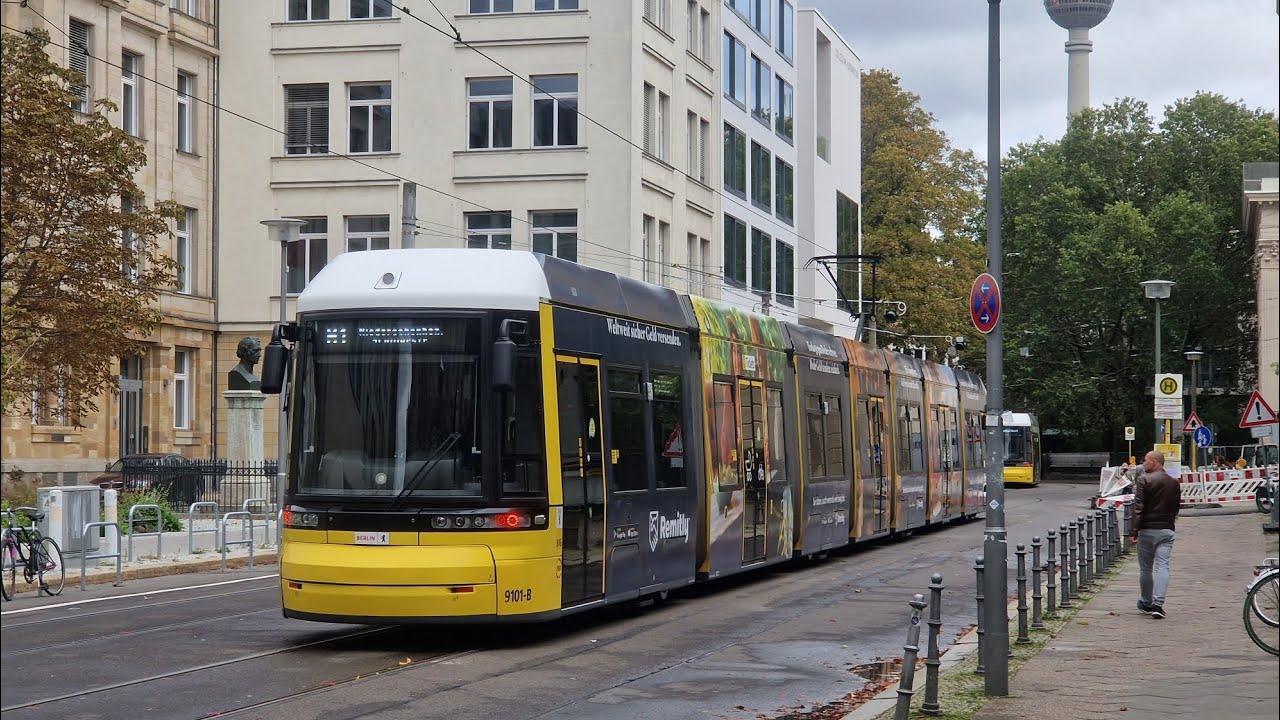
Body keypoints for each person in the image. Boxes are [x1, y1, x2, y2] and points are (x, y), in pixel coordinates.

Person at [1122, 450, 1180, 619]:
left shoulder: (1144, 480)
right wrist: (1170, 522)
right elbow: (1176, 506)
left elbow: (1138, 508)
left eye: (1146, 460)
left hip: (1147, 529)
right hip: (1166, 530)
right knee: (1163, 566)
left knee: (1146, 568)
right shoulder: (1173, 482)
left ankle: (1146, 602)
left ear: (1154, 462)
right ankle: (1158, 604)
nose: (1143, 463)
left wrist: (1134, 531)